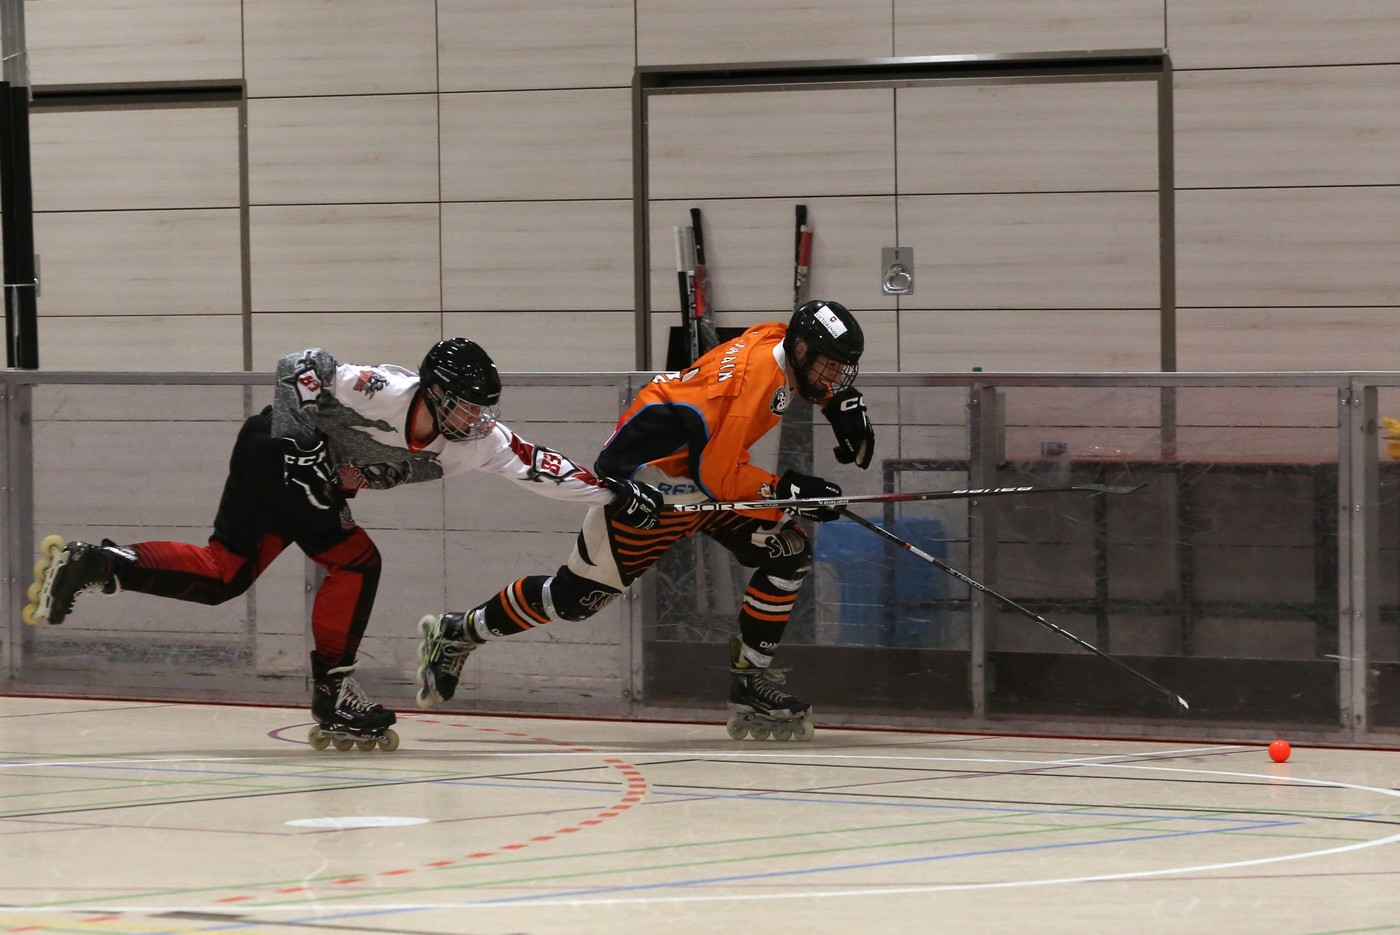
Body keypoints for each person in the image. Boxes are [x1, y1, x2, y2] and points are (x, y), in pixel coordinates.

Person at [22, 339, 663, 751]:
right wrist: (300, 447)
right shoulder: (387, 389)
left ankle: (98, 563)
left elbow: (544, 469)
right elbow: (299, 365)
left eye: (483, 409)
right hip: (273, 450)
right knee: (357, 563)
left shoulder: (482, 444)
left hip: (290, 476)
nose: (477, 420)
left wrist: (614, 493)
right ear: (435, 392)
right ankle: (333, 694)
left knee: (224, 575)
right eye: (466, 407)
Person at [414, 300, 875, 740]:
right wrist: (788, 491)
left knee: (788, 550)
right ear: (801, 350)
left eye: (840, 370)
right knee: (576, 599)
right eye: (829, 368)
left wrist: (839, 402)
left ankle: (750, 680)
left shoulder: (776, 339)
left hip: (700, 474)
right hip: (653, 486)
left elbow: (719, 466)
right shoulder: (754, 382)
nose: (833, 377)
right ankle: (459, 632)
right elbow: (719, 477)